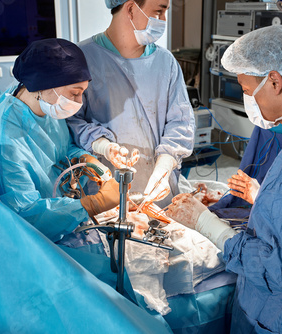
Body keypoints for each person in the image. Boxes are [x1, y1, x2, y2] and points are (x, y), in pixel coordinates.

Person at [167, 25, 282, 334]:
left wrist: (207, 225)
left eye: (245, 89)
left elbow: (281, 270)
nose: (246, 99)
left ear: (274, 81)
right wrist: (263, 197)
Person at [0, 38, 130, 258]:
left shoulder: (40, 103)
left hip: (59, 218)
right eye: (74, 93)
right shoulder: (4, 140)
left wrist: (84, 159)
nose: (78, 102)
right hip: (33, 244)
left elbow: (59, 146)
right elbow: (24, 216)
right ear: (43, 83)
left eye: (82, 93)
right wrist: (93, 204)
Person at [66, 0, 195, 208]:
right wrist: (103, 145)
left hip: (157, 194)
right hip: (103, 193)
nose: (163, 20)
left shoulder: (165, 62)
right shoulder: (83, 59)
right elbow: (70, 121)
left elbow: (181, 122)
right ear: (131, 8)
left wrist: (166, 162)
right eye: (159, 11)